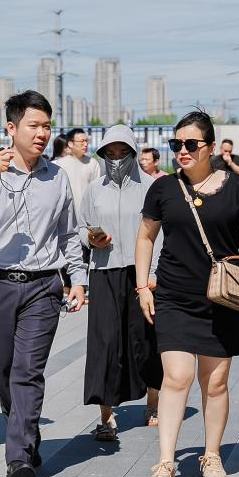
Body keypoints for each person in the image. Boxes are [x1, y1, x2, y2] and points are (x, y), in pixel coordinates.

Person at [135, 111, 239, 477]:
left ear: (210, 147)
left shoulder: (234, 187)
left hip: (221, 298)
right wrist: (142, 286)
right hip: (174, 297)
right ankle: (166, 462)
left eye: (191, 144)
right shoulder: (163, 189)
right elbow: (145, 237)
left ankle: (211, 454)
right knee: (176, 377)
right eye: (176, 144)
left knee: (215, 383)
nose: (182, 150)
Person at [0, 90, 86, 477]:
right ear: (12, 128)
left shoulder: (57, 177)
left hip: (43, 287)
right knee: (8, 371)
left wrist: (78, 279)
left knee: (28, 371)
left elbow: (70, 233)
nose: (42, 133)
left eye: (47, 126)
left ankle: (18, 458)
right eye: (34, 125)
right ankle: (26, 435)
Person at [78, 124, 162, 439]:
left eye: (122, 152)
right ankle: (106, 416)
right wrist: (90, 239)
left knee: (145, 338)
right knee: (104, 342)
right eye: (110, 153)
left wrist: (153, 273)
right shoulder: (94, 189)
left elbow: (160, 234)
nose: (116, 159)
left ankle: (153, 402)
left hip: (140, 273)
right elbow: (80, 227)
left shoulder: (150, 187)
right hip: (104, 270)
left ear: (133, 153)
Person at [54, 127, 101, 211]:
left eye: (86, 141)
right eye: (82, 141)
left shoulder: (93, 163)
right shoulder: (59, 165)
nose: (85, 144)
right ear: (70, 144)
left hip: (87, 213)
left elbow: (97, 191)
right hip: (66, 213)